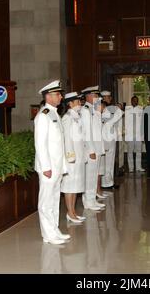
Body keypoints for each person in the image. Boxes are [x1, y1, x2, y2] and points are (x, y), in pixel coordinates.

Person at [34, 80, 70, 245]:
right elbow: (40, 144)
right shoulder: (43, 115)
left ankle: (54, 230)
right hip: (48, 167)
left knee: (55, 199)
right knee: (46, 201)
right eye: (58, 94)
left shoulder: (54, 113)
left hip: (56, 165)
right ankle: (47, 234)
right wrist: (46, 167)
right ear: (48, 96)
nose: (61, 97)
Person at [61, 92, 87, 224]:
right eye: (77, 101)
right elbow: (67, 139)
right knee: (69, 186)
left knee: (76, 185)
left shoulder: (77, 117)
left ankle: (73, 212)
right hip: (71, 158)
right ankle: (69, 212)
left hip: (79, 157)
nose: (79, 103)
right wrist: (70, 156)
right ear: (70, 104)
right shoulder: (67, 118)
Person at [80, 86, 105, 211]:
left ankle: (92, 198)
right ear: (88, 96)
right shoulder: (85, 110)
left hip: (98, 147)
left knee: (94, 175)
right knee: (89, 176)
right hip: (92, 149)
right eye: (95, 95)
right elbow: (87, 132)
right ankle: (88, 200)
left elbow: (97, 129)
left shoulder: (94, 109)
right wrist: (91, 150)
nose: (97, 97)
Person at [100, 91, 123, 190]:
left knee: (110, 161)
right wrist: (119, 109)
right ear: (103, 98)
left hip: (111, 137)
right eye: (108, 97)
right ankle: (106, 183)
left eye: (110, 97)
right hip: (106, 138)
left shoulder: (110, 108)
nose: (110, 98)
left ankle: (109, 181)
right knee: (107, 161)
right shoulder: (102, 109)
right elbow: (112, 120)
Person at [125, 96, 145, 173]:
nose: (135, 102)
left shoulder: (141, 109)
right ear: (131, 101)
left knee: (139, 151)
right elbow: (125, 122)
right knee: (130, 152)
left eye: (136, 101)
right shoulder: (127, 109)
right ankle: (131, 168)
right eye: (133, 100)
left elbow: (143, 123)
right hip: (130, 134)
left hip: (138, 134)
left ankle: (138, 167)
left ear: (138, 101)